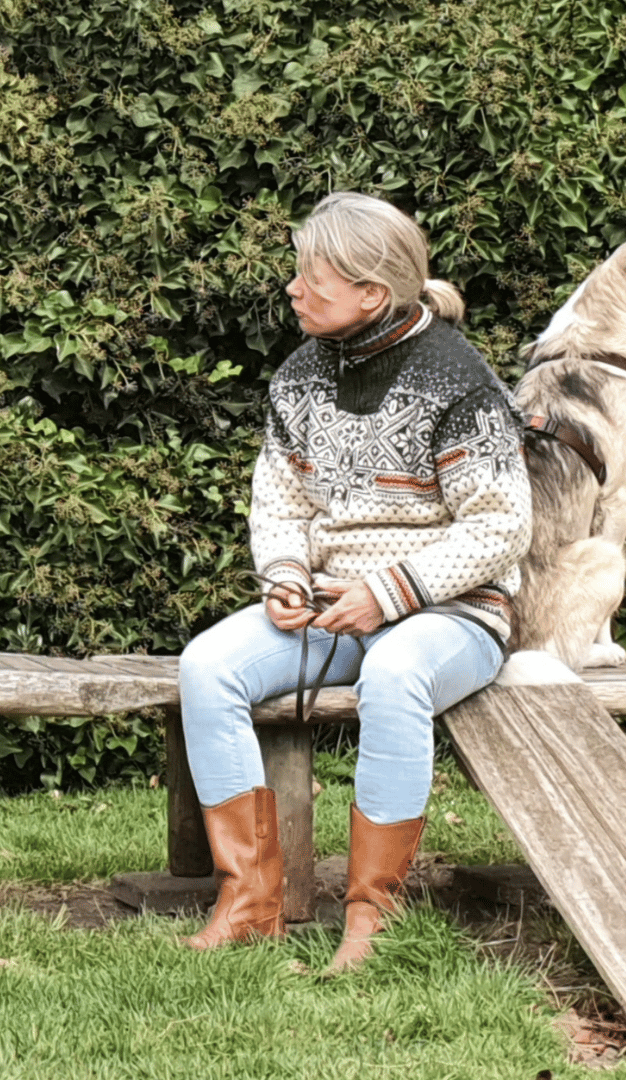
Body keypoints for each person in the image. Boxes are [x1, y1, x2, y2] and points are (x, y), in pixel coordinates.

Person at [177, 192, 532, 971]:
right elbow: (281, 501)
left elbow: (500, 527)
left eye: (313, 279)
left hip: (455, 612)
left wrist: (392, 592)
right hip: (335, 604)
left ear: (372, 294)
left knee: (397, 671)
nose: (293, 290)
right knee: (207, 665)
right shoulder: (299, 377)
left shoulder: (457, 381)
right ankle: (249, 904)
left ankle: (375, 918)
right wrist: (285, 577)